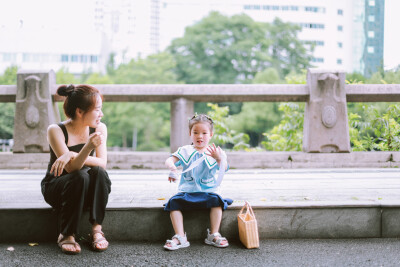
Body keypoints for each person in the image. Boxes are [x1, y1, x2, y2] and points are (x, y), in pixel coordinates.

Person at [41, 84, 111, 255]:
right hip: (58, 186)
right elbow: (72, 168)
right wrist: (86, 147)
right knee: (80, 175)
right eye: (97, 110)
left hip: (85, 188)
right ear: (80, 112)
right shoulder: (56, 130)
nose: (101, 114)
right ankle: (66, 234)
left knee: (99, 173)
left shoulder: (99, 128)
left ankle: (96, 230)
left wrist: (72, 153)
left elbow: (102, 163)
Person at [163, 114, 232, 251]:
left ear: (211, 134)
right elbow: (170, 159)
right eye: (195, 132)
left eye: (204, 133)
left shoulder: (216, 152)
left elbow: (224, 169)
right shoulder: (185, 151)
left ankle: (214, 234)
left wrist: (218, 159)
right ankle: (180, 236)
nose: (200, 136)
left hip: (208, 192)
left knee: (217, 201)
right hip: (187, 192)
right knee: (173, 203)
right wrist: (172, 167)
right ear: (190, 133)